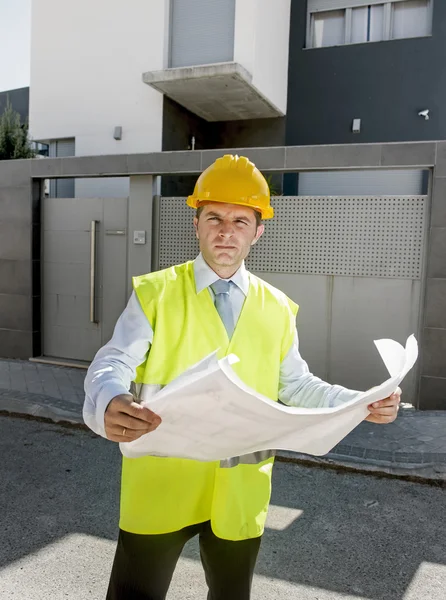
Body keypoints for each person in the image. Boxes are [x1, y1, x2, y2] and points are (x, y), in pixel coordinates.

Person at [83, 154, 401, 600]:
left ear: (258, 231)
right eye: (214, 217)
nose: (226, 231)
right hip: (160, 487)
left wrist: (361, 401)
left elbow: (296, 385)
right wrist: (108, 400)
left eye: (240, 220)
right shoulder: (156, 294)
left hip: (240, 495)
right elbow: (113, 361)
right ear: (196, 225)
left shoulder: (278, 308)